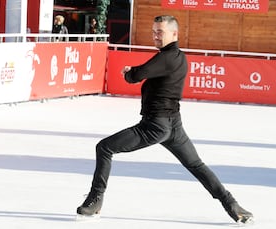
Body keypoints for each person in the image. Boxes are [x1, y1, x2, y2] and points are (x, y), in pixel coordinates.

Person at [77, 15, 253, 224]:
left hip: (155, 125)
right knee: (197, 165)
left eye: (160, 32)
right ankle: (232, 205)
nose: (155, 36)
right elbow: (150, 72)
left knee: (105, 148)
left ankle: (95, 200)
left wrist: (129, 72)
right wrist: (135, 72)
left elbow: (137, 75)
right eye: (153, 32)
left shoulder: (167, 57)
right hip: (173, 125)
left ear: (174, 34)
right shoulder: (178, 57)